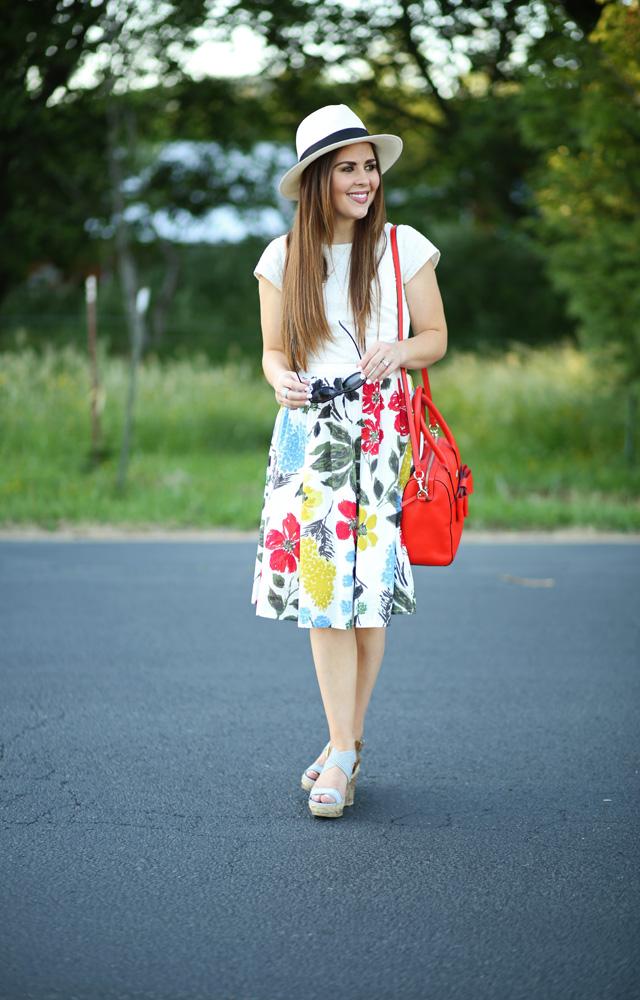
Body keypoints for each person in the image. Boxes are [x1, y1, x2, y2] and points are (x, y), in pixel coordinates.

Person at [251, 104, 447, 818]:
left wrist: (401, 350)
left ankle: (344, 745)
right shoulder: (281, 258)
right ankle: (343, 753)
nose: (364, 180)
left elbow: (436, 337)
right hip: (309, 435)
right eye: (348, 168)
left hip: (381, 432)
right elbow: (275, 351)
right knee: (323, 596)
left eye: (369, 166)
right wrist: (278, 377)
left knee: (365, 606)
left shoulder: (403, 247)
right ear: (316, 180)